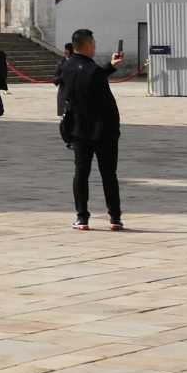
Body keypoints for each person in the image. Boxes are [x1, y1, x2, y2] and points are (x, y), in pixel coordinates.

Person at [56, 29, 133, 232]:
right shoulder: (86, 67)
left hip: (79, 130)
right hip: (103, 130)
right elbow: (91, 77)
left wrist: (109, 67)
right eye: (94, 43)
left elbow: (83, 81)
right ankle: (114, 217)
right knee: (108, 174)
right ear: (88, 45)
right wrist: (110, 66)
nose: (95, 46)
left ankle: (82, 217)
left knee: (81, 173)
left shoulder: (67, 66)